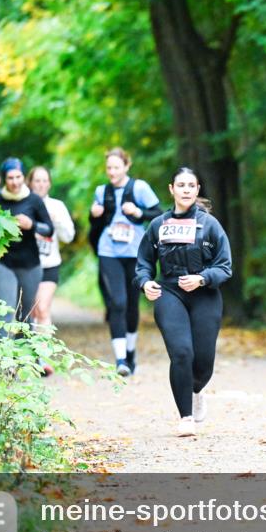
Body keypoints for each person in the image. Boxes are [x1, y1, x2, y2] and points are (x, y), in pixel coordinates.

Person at [134, 167, 232, 437]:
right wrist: (145, 282)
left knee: (202, 364)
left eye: (191, 185)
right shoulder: (158, 225)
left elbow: (225, 266)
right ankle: (185, 417)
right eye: (181, 185)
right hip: (170, 293)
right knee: (181, 353)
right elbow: (142, 263)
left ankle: (197, 389)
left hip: (205, 296)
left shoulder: (210, 225)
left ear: (197, 190)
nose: (186, 189)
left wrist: (202, 279)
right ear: (171, 189)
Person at [90, 147, 162, 376]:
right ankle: (120, 359)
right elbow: (95, 226)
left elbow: (159, 213)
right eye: (109, 168)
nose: (112, 172)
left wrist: (139, 212)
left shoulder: (139, 188)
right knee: (117, 303)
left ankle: (130, 352)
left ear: (126, 166)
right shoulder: (102, 191)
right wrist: (94, 214)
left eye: (116, 167)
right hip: (108, 251)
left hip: (134, 252)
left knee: (132, 305)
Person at [0, 157, 54, 335]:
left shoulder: (34, 200)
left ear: (24, 178)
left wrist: (31, 225)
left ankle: (26, 359)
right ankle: (3, 360)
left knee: (26, 315)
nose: (15, 182)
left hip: (29, 263)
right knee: (6, 311)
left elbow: (49, 229)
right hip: (2, 262)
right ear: (3, 180)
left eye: (18, 177)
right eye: (10, 178)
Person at [27, 166, 75, 376]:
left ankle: (43, 359)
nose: (41, 184)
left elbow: (68, 237)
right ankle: (28, 355)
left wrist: (57, 222)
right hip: (26, 265)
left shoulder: (57, 206)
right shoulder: (24, 204)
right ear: (30, 183)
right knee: (30, 311)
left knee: (43, 309)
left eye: (44, 180)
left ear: (49, 183)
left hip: (50, 264)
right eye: (37, 180)